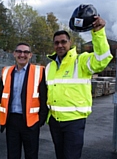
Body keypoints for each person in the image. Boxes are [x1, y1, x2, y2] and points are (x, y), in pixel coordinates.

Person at [45, 16, 113, 159]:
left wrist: (98, 32)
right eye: (56, 43)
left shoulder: (80, 61)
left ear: (70, 43)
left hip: (74, 122)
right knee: (60, 156)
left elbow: (102, 60)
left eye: (63, 42)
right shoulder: (49, 66)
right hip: (55, 122)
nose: (60, 45)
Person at [0, 42, 48, 159]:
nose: (22, 55)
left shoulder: (39, 72)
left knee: (31, 155)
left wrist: (40, 121)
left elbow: (44, 98)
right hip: (12, 120)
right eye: (19, 51)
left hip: (30, 122)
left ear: (30, 55)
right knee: (12, 155)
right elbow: (1, 92)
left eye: (26, 52)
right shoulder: (6, 71)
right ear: (14, 54)